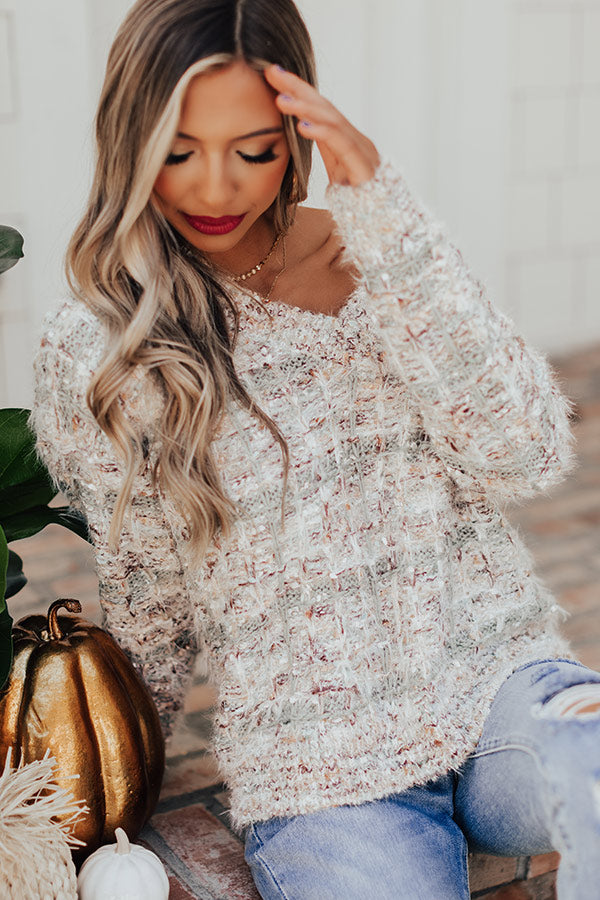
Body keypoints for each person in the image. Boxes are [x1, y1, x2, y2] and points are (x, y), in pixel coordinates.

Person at [30, 1, 600, 897]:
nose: (215, 189)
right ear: (130, 140)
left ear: (297, 133)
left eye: (252, 150)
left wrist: (384, 210)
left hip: (497, 694)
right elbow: (149, 594)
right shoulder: (102, 345)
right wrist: (107, 785)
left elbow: (523, 450)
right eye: (178, 151)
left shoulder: (384, 256)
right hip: (322, 769)